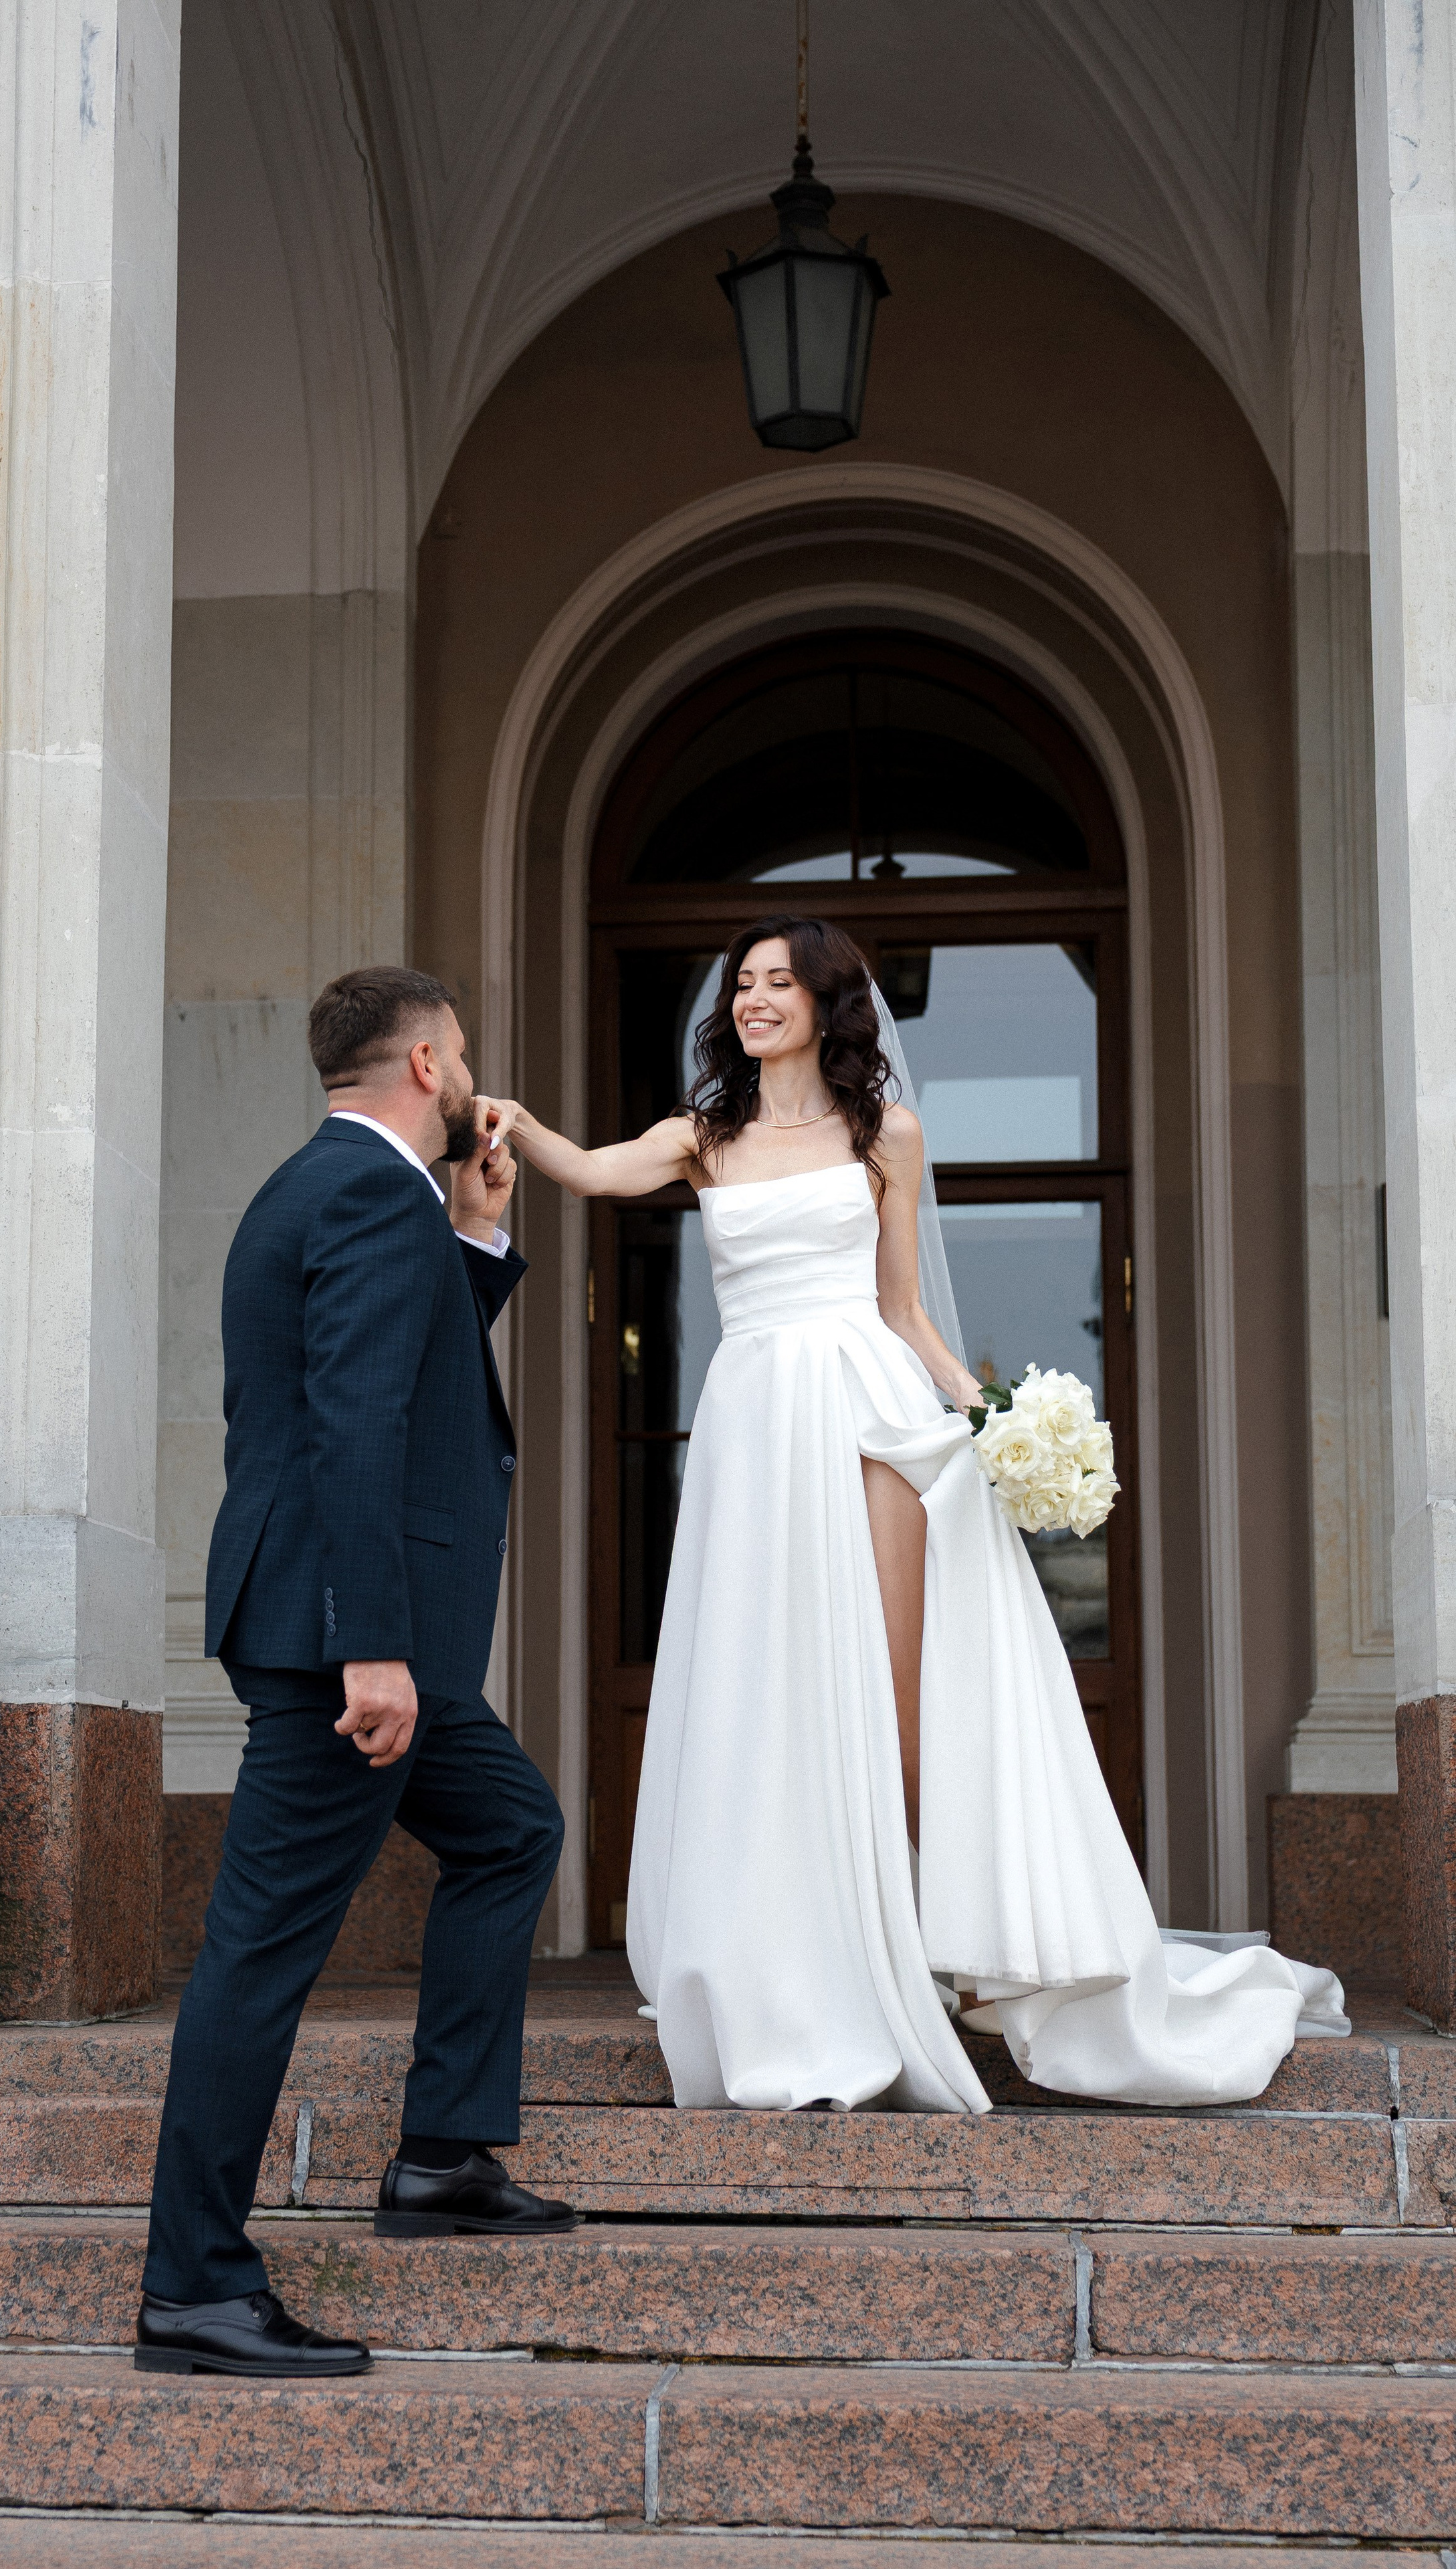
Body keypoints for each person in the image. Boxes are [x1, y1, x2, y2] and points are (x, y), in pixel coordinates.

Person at [482, 914, 1347, 2116]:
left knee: (898, 1689)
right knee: (770, 1680)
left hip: (870, 1412)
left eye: (780, 982)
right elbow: (592, 1170)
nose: (755, 1000)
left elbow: (901, 1308)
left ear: (831, 1003)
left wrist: (993, 1416)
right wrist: (513, 1125)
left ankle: (925, 1935)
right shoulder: (705, 1135)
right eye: (742, 984)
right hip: (751, 1422)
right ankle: (804, 1952)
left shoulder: (887, 1132)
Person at [138, 965, 573, 2382]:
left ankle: (444, 2155)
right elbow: (356, 1427)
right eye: (463, 1063)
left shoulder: (339, 1190)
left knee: (510, 1828)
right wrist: (369, 1645)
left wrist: (478, 1237)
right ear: (433, 1063)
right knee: (258, 1953)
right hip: (351, 1644)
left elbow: (391, 1368)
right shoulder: (369, 1197)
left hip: (364, 1632)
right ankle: (195, 2288)